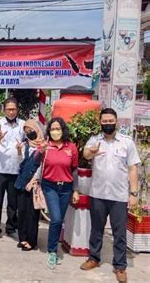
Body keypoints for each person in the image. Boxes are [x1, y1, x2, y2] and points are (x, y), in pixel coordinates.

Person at [80, 108, 140, 283]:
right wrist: (91, 152)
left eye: (110, 121)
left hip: (119, 195)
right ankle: (94, 258)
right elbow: (85, 154)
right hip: (98, 193)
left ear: (116, 121)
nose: (107, 124)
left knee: (119, 233)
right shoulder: (94, 140)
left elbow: (133, 168)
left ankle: (120, 266)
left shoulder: (127, 143)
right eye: (104, 121)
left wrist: (134, 193)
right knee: (96, 229)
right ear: (100, 123)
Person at [38, 117, 79, 269]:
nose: (55, 132)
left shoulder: (71, 147)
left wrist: (75, 190)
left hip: (66, 188)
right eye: (53, 129)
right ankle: (52, 251)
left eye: (58, 129)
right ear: (49, 131)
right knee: (55, 218)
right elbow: (36, 162)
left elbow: (74, 170)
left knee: (59, 220)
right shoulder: (45, 146)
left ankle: (54, 245)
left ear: (63, 130)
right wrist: (40, 152)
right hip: (50, 186)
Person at [0, 97, 25, 243]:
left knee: (13, 203)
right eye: (8, 109)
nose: (11, 112)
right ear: (4, 110)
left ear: (17, 110)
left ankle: (11, 228)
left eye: (14, 109)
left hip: (16, 169)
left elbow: (28, 144)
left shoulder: (23, 125)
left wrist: (20, 148)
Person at [13, 119, 44, 251]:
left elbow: (42, 165)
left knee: (32, 213)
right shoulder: (25, 144)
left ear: (37, 129)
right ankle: (22, 238)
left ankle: (31, 240)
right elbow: (20, 162)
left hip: (34, 183)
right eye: (26, 131)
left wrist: (34, 180)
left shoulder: (42, 146)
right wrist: (19, 151)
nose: (29, 133)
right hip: (22, 181)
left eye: (31, 130)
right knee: (22, 211)